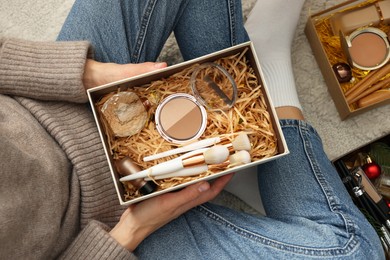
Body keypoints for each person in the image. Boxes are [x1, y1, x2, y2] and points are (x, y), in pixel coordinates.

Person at [0, 1, 384, 260]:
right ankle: (270, 78)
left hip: (49, 102)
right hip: (102, 225)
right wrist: (133, 231)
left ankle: (248, 64)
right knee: (353, 251)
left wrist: (89, 74)